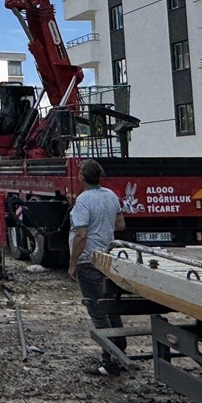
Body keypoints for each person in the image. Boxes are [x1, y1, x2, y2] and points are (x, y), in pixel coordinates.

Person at [67, 158, 127, 377]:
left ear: (82, 176)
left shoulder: (83, 201)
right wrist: (103, 227)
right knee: (112, 307)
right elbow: (120, 224)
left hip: (89, 261)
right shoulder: (111, 196)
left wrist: (73, 264)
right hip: (108, 259)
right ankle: (120, 354)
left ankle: (108, 362)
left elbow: (81, 235)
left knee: (98, 311)